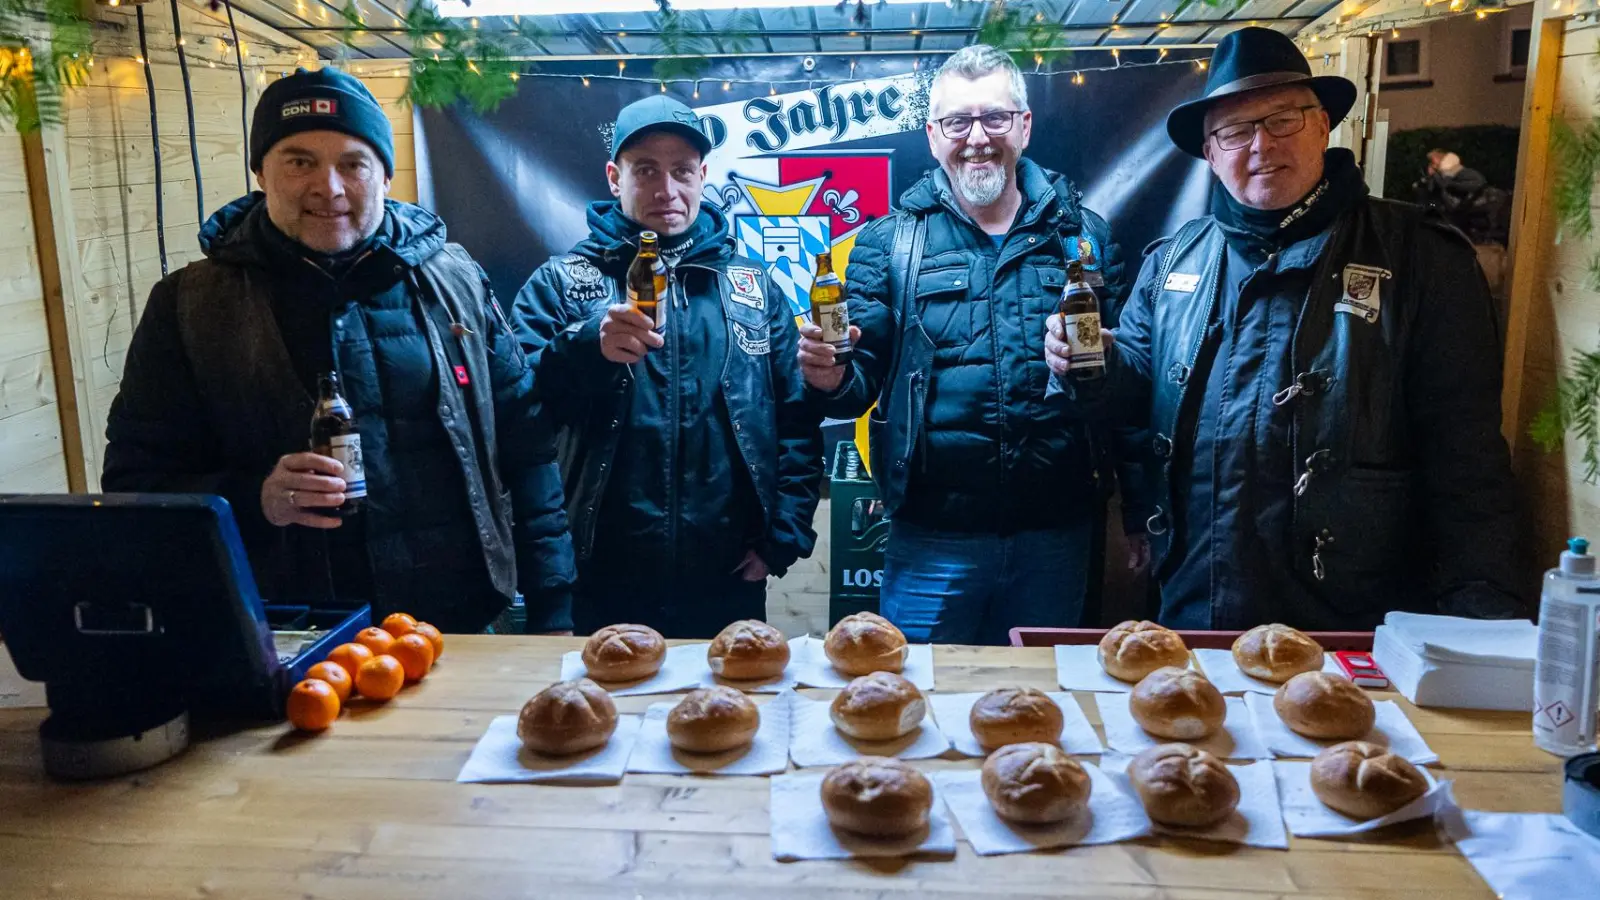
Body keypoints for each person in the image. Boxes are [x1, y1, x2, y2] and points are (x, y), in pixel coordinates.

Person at [1045, 28, 1521, 630]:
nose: (1260, 145)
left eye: (1282, 120)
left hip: (1358, 622)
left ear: (1323, 125)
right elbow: (1133, 386)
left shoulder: (1421, 259)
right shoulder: (1172, 261)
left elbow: (1469, 464)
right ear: (1211, 155)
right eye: (1235, 131)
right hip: (1198, 607)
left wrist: (1480, 619)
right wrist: (1092, 363)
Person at [102, 68, 576, 635]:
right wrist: (256, 498)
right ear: (260, 172)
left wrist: (553, 606)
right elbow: (137, 483)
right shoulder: (189, 304)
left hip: (458, 623)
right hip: (287, 631)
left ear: (384, 175)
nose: (329, 188)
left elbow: (526, 447)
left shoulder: (457, 281)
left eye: (353, 163)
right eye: (300, 162)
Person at [797, 45, 1130, 645]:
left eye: (995, 117)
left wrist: (1104, 370)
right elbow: (858, 381)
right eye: (958, 121)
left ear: (1023, 126)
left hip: (1056, 536)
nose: (977, 137)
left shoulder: (1086, 238)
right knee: (915, 709)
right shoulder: (889, 242)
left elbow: (1133, 386)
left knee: (1040, 715)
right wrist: (828, 376)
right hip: (930, 541)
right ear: (933, 136)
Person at [512, 95, 824, 638]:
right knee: (600, 719)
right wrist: (585, 348)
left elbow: (795, 419)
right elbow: (516, 415)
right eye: (646, 170)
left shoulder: (752, 289)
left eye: (682, 171)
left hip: (726, 576)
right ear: (615, 177)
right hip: (599, 575)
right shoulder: (559, 284)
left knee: (728, 719)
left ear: (703, 176)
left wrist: (783, 537)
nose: (666, 190)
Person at [1414, 149, 1506, 245]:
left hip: (1489, 211)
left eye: (1433, 163)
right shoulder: (1446, 177)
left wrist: (1438, 178)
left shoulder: (1455, 174)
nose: (1432, 166)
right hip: (1480, 218)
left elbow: (1475, 185)